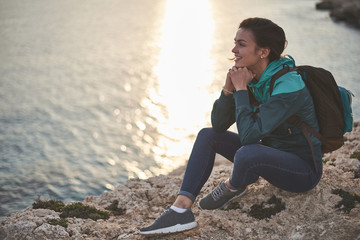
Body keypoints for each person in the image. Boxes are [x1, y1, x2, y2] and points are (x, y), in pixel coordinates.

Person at [139, 17, 323, 235]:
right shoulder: (253, 77)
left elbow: (248, 138)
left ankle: (233, 187)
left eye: (241, 44)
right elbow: (218, 125)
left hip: (302, 173)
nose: (234, 49)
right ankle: (180, 209)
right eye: (235, 42)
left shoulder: (288, 85)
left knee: (247, 152)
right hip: (267, 157)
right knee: (208, 135)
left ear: (263, 52)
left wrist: (242, 90)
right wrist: (229, 89)